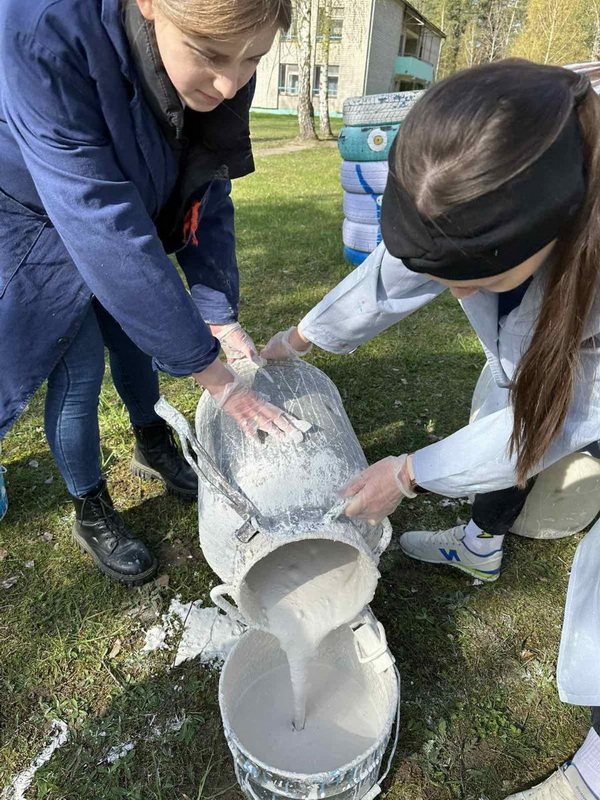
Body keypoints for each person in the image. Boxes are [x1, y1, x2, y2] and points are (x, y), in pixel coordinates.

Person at [0, 0, 308, 586]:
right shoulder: (42, 28)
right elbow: (99, 220)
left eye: (254, 60)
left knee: (135, 341)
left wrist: (217, 315)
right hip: (37, 210)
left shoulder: (228, 55)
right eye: (210, 56)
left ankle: (153, 442)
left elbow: (207, 187)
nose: (229, 83)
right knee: (78, 371)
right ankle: (91, 505)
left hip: (120, 206)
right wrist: (215, 379)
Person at [263, 59, 600, 583]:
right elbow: (397, 272)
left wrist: (407, 474)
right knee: (502, 412)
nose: (457, 293)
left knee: (543, 451)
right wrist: (302, 337)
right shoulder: (475, 180)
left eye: (479, 275)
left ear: (558, 225)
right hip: (538, 353)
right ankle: (480, 546)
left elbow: (552, 417)